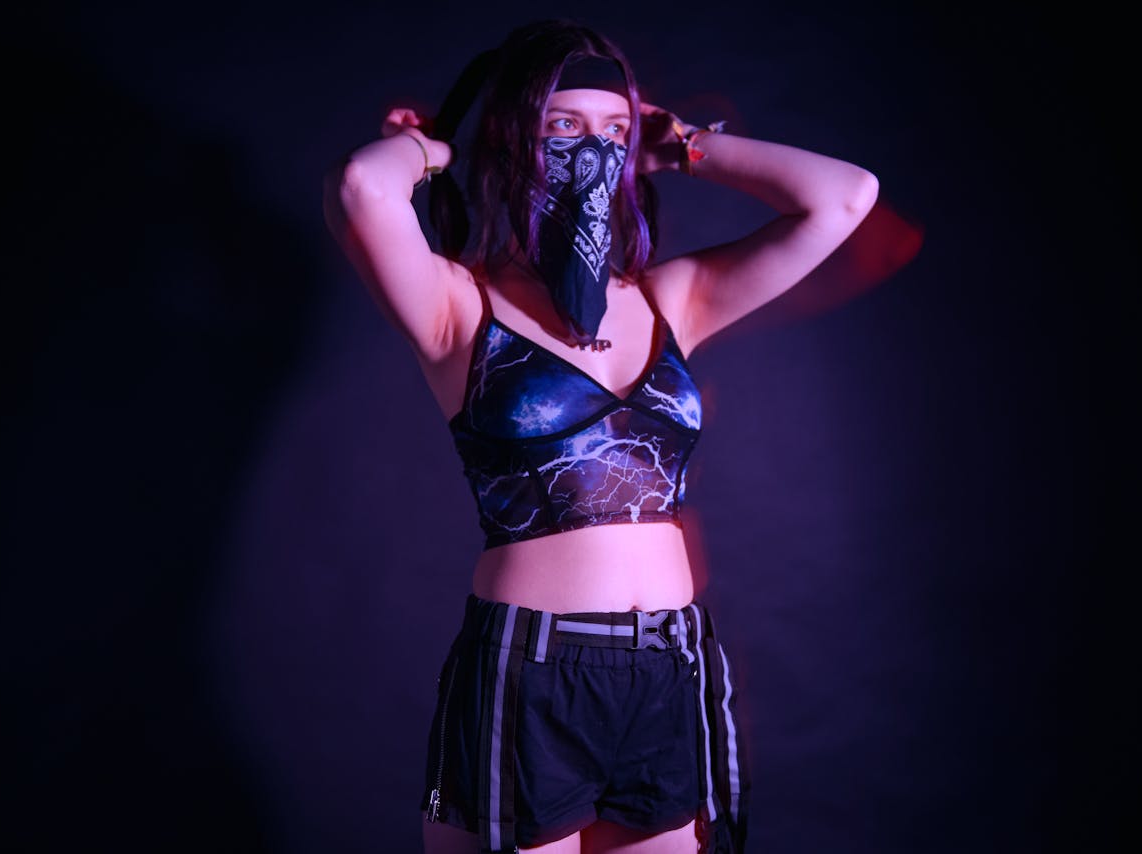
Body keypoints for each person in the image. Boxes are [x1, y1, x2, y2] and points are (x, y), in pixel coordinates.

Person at [323, 18, 878, 854]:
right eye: (562, 128)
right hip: (529, 673)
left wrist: (681, 141)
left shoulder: (671, 300)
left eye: (611, 130)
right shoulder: (456, 306)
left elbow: (844, 196)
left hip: (669, 666)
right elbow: (367, 188)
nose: (594, 152)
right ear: (514, 141)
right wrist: (441, 146)